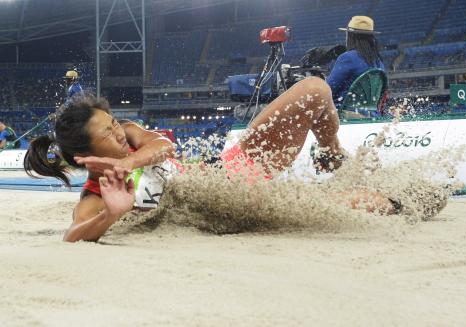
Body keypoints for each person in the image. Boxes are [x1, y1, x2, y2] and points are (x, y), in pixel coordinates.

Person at [24, 77, 398, 243]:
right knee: (368, 203)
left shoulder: (130, 133)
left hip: (227, 168)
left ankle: (332, 156)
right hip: (226, 204)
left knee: (314, 90)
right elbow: (73, 235)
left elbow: (163, 148)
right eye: (107, 133)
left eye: (113, 123)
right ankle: (404, 203)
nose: (118, 132)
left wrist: (131, 163)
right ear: (85, 155)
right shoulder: (94, 194)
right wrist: (112, 214)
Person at [327, 16, 385, 108]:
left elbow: (328, 90)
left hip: (346, 113)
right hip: (372, 113)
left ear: (351, 36)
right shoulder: (379, 62)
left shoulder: (347, 58)